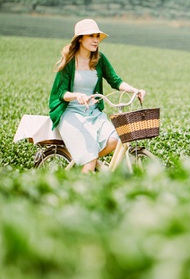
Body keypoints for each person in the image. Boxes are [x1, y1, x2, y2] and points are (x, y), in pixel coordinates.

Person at [49, 18, 146, 173]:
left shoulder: (99, 59)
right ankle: (85, 173)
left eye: (97, 37)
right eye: (91, 36)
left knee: (114, 139)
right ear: (80, 39)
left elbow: (115, 80)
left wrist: (134, 90)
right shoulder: (69, 62)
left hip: (93, 112)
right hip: (71, 113)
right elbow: (60, 93)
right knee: (89, 161)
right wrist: (76, 96)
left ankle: (90, 161)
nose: (96, 40)